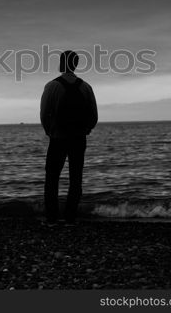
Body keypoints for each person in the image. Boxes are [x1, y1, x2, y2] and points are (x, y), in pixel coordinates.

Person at [40, 50, 98, 224]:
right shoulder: (86, 87)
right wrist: (86, 129)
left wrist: (50, 131)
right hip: (79, 138)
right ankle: (70, 216)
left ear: (61, 63)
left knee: (52, 176)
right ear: (75, 64)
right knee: (76, 177)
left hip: (58, 137)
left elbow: (44, 114)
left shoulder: (52, 86)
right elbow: (94, 116)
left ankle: (52, 216)